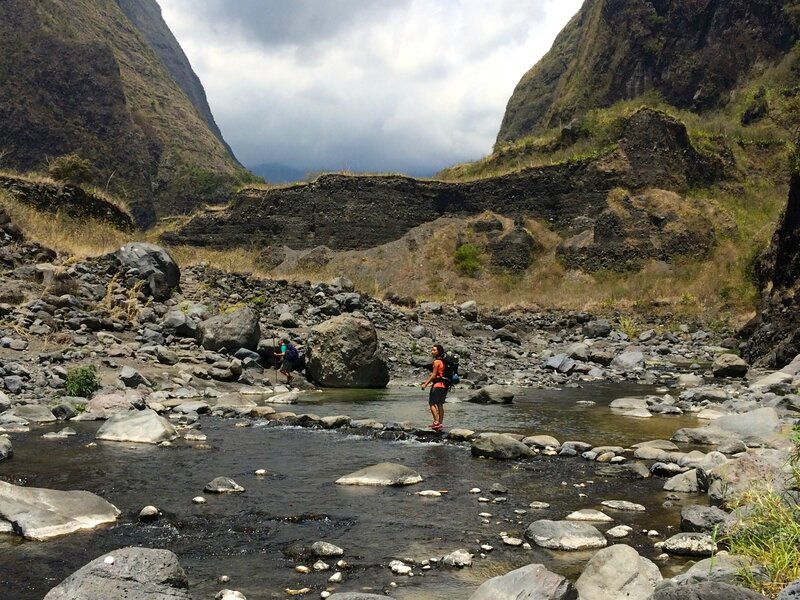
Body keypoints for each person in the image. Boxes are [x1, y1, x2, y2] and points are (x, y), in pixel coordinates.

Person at [421, 344, 448, 430]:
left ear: (439, 352)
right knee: (440, 404)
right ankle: (440, 423)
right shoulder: (444, 361)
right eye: (432, 350)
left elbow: (433, 375)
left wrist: (425, 384)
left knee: (432, 403)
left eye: (434, 350)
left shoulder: (436, 362)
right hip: (445, 386)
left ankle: (436, 422)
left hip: (437, 386)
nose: (432, 352)